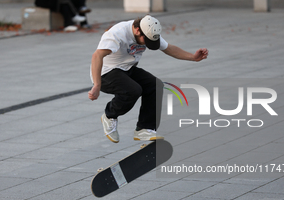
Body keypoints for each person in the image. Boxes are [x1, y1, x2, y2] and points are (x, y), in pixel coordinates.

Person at [88, 15, 208, 143]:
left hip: (127, 69)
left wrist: (193, 57)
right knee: (133, 90)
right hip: (106, 72)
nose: (146, 44)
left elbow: (169, 48)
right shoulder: (117, 34)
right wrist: (97, 85)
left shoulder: (149, 30)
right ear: (137, 30)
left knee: (155, 85)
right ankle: (109, 116)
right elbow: (97, 56)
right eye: (145, 41)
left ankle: (144, 129)